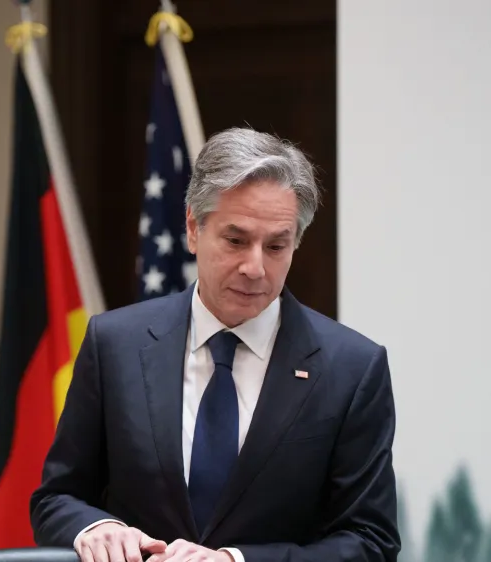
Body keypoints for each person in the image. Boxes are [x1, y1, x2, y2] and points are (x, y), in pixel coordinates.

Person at [30, 128, 399, 562]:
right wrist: (95, 527)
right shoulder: (114, 345)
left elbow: (370, 542)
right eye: (236, 240)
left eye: (277, 245)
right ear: (192, 228)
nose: (255, 267)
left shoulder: (351, 369)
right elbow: (56, 498)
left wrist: (235, 561)